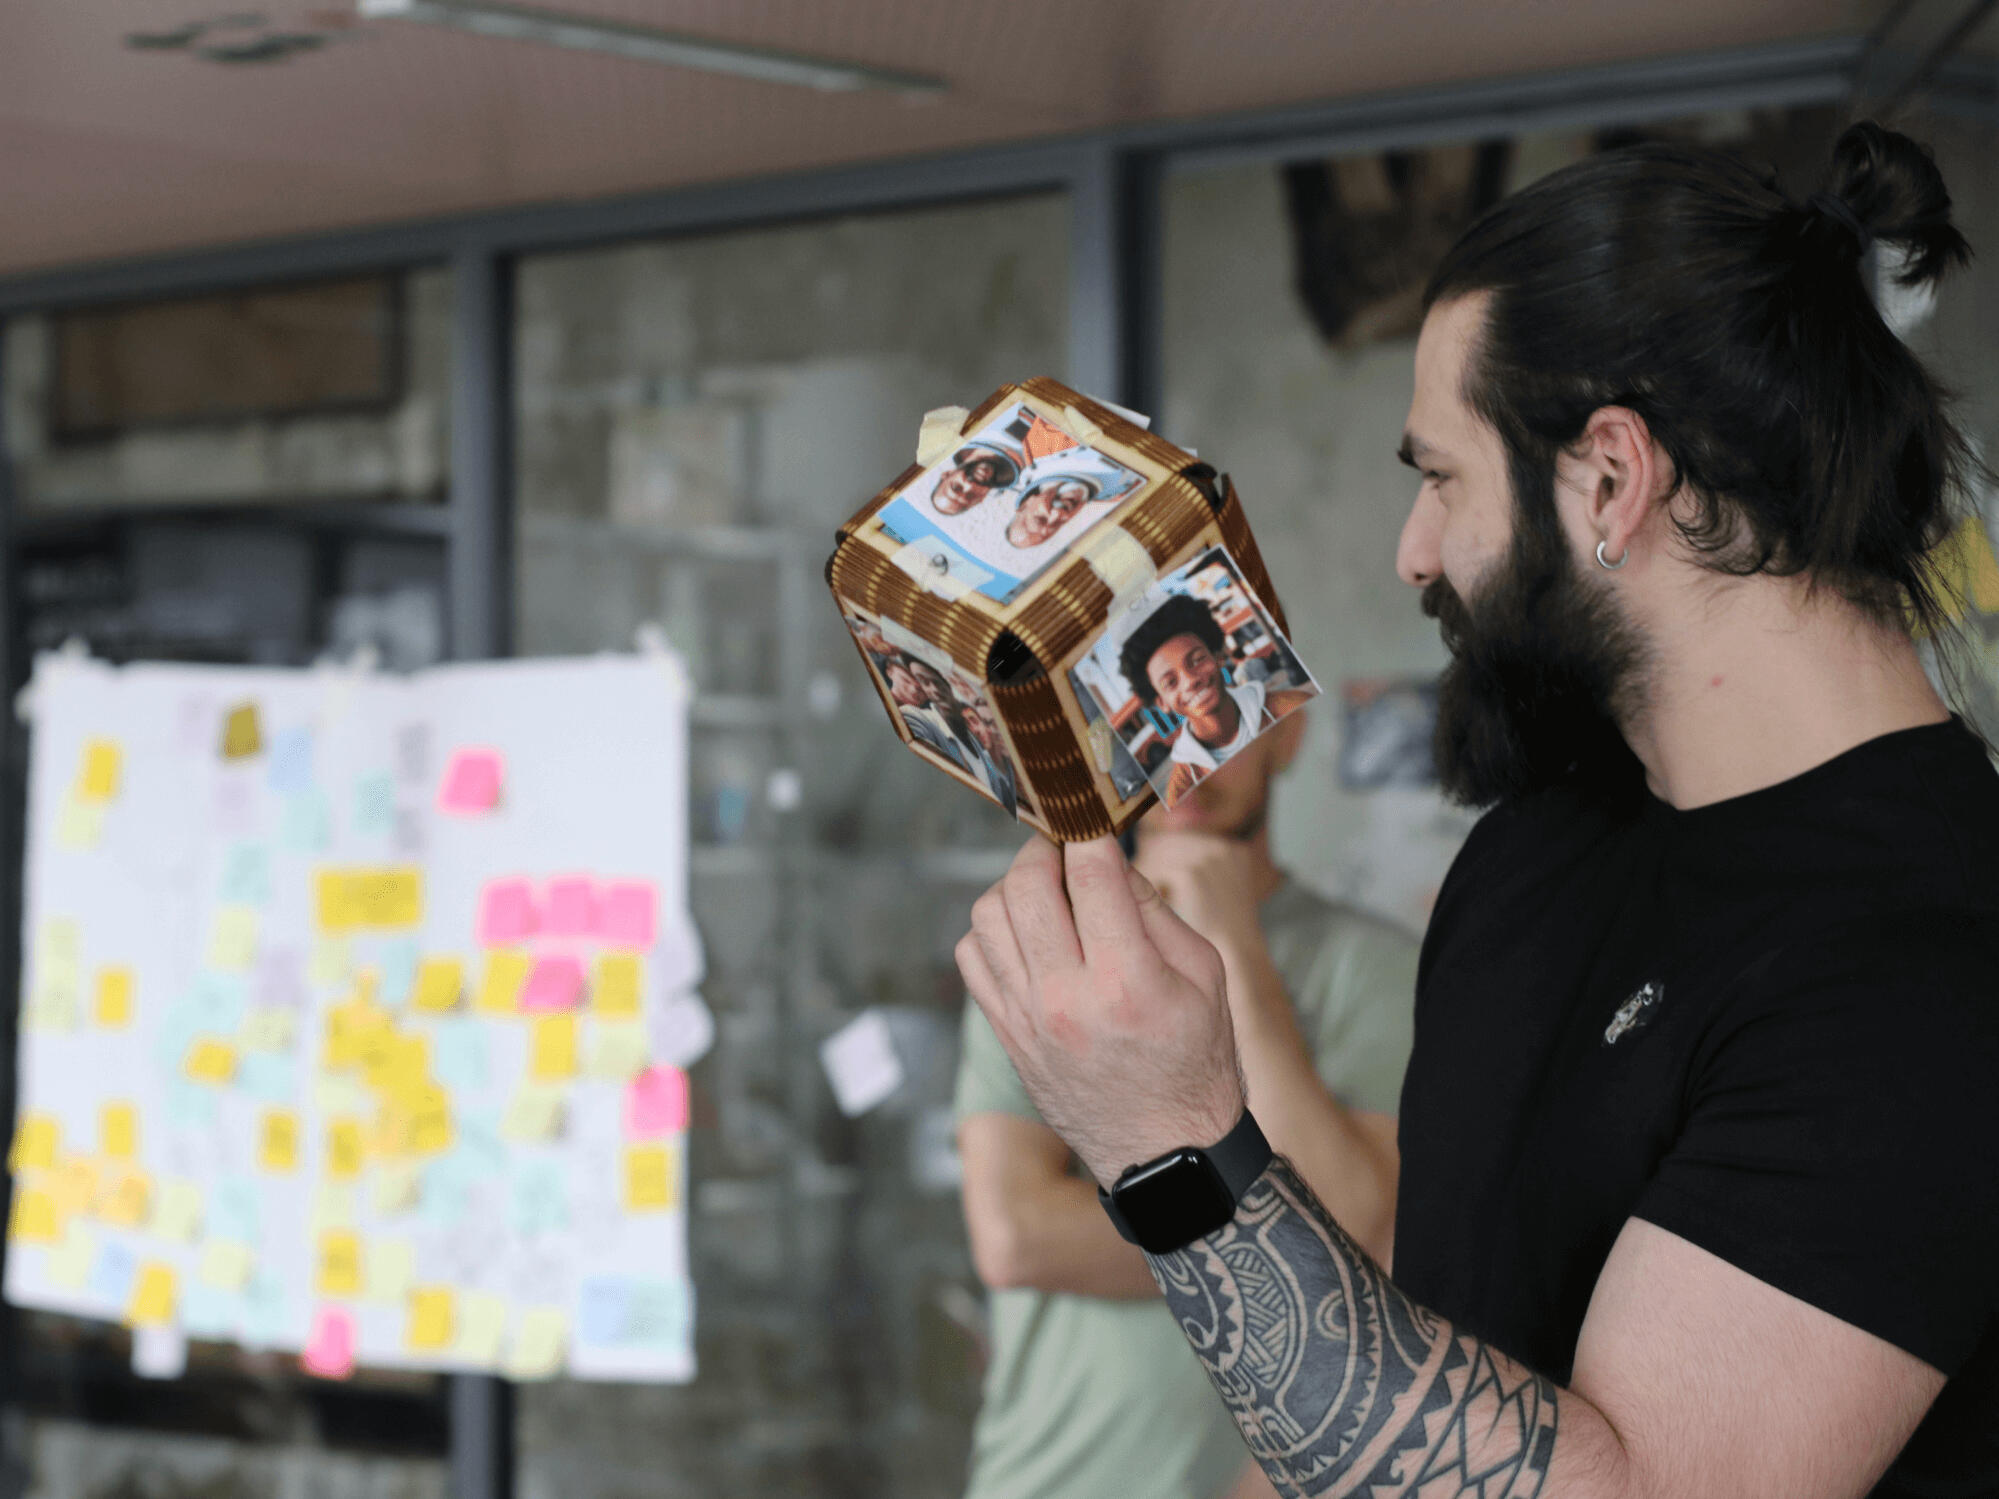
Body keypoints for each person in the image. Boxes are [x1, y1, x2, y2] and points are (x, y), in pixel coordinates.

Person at [954, 121, 1999, 1499]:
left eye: (1438, 479)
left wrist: (1170, 1148)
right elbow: (1423, 1342)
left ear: (1610, 478)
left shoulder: (1926, 950)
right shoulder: (1531, 851)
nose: (1411, 551)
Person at [955, 709, 1418, 1499]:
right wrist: (1293, 1240)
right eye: (1151, 720)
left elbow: (1362, 1225)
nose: (1188, 754)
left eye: (1226, 717)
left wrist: (1229, 939)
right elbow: (1014, 1235)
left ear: (1288, 733)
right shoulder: (1049, 952)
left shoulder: (1381, 966)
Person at [1117, 593, 1314, 805]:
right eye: (1171, 682)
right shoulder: (1181, 789)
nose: (1190, 681)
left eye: (1197, 659)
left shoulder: (1288, 708)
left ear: (1219, 657)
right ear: (1162, 702)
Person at [1005, 474, 1099, 549]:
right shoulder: (1109, 495)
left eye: (1040, 519)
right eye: (1057, 524)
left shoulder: (1047, 456)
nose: (1058, 514)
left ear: (1025, 505)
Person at [927, 442, 1021, 517]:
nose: (970, 485)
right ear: (981, 498)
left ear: (947, 474)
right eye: (971, 495)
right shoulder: (1026, 472)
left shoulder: (961, 435)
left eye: (956, 487)